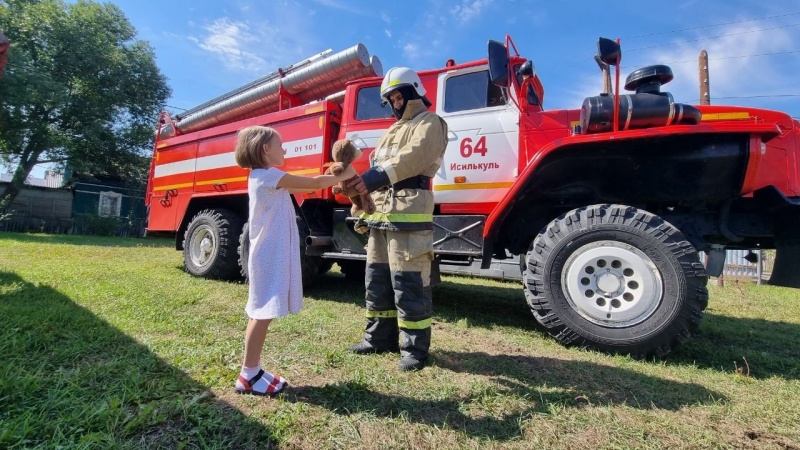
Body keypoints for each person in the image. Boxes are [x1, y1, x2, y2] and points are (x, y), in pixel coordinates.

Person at [233, 125, 356, 395]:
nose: (284, 149)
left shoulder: (264, 177)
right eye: (280, 145)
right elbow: (313, 184)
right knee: (261, 312)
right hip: (267, 255)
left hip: (269, 253)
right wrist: (348, 173)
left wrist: (332, 176)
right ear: (265, 149)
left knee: (262, 312)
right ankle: (248, 375)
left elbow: (309, 188)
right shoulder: (268, 176)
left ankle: (252, 370)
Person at [347, 67, 448, 371]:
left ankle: (415, 350)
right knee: (377, 279)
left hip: (409, 211)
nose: (395, 101)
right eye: (390, 97)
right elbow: (377, 167)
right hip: (381, 213)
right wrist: (362, 208)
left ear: (414, 92)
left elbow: (414, 157)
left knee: (409, 282)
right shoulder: (391, 131)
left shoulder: (431, 123)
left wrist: (372, 177)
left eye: (398, 94)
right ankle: (378, 338)